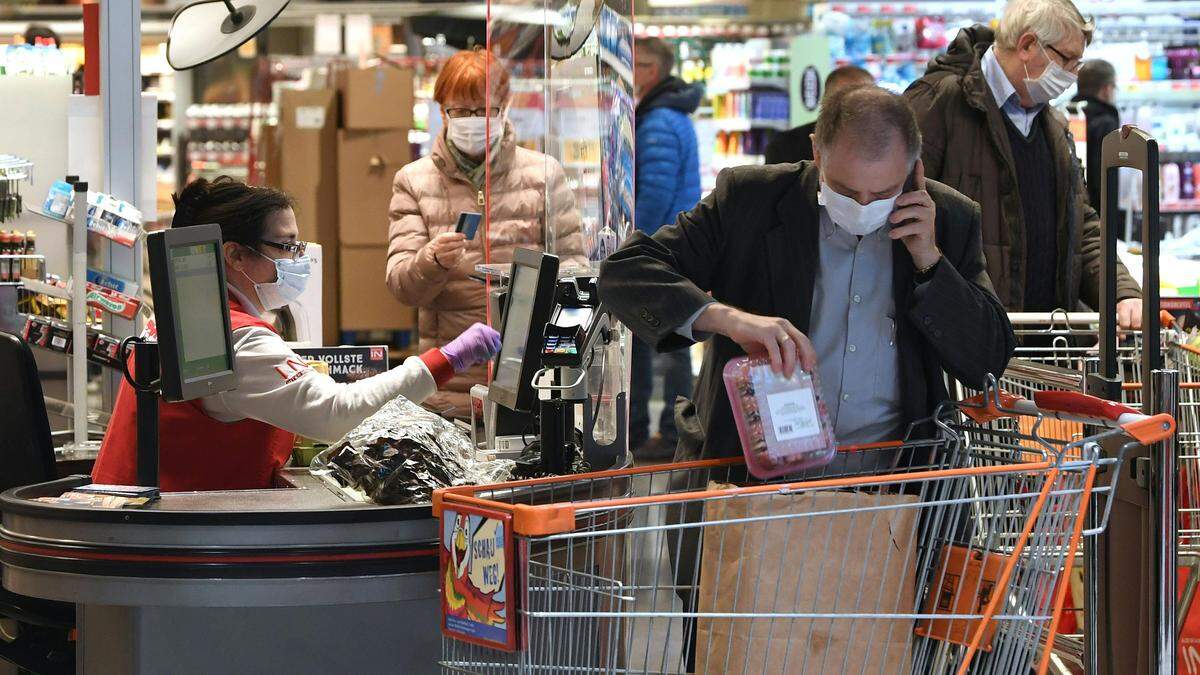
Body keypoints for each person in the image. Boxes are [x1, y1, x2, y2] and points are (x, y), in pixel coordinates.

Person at [600, 86, 1015, 462]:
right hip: (754, 478)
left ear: (914, 168)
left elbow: (987, 359)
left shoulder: (950, 219)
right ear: (817, 152)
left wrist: (930, 260)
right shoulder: (750, 200)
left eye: (884, 193)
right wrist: (728, 319)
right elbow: (625, 273)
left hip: (893, 486)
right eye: (847, 190)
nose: (864, 204)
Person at [92, 177, 502, 492]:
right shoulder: (239, 340)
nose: (297, 259)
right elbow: (336, 414)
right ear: (235, 255)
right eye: (286, 246)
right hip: (175, 543)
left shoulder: (187, 316)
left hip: (145, 522)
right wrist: (448, 358)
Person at [904, 0, 1142, 328]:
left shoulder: (1053, 125)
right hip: (965, 341)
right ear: (1028, 45)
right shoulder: (938, 103)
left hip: (1043, 341)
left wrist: (1121, 291)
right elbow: (901, 216)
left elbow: (1081, 223)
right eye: (1067, 59)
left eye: (1078, 63)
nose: (1073, 76)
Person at [387, 49, 583, 418]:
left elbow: (574, 272)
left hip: (532, 377)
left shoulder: (543, 175)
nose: (472, 121)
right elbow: (403, 286)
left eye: (484, 110)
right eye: (460, 111)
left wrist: (559, 355)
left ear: (505, 107)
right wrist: (431, 261)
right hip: (450, 381)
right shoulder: (413, 180)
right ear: (442, 110)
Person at [629, 37, 703, 458]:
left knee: (661, 345)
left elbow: (655, 193)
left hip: (661, 249)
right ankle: (669, 433)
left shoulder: (657, 120)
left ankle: (665, 436)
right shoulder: (671, 114)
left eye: (635, 66)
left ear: (651, 70)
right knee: (671, 342)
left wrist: (631, 243)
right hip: (677, 247)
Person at [764, 65, 874, 165]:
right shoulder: (784, 146)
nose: (854, 108)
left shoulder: (884, 145)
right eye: (844, 100)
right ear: (825, 101)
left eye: (864, 101)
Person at [1071, 59, 1120, 212]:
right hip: (1095, 213)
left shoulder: (1064, 114)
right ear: (1106, 89)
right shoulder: (1105, 122)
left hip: (1068, 207)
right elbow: (1104, 177)